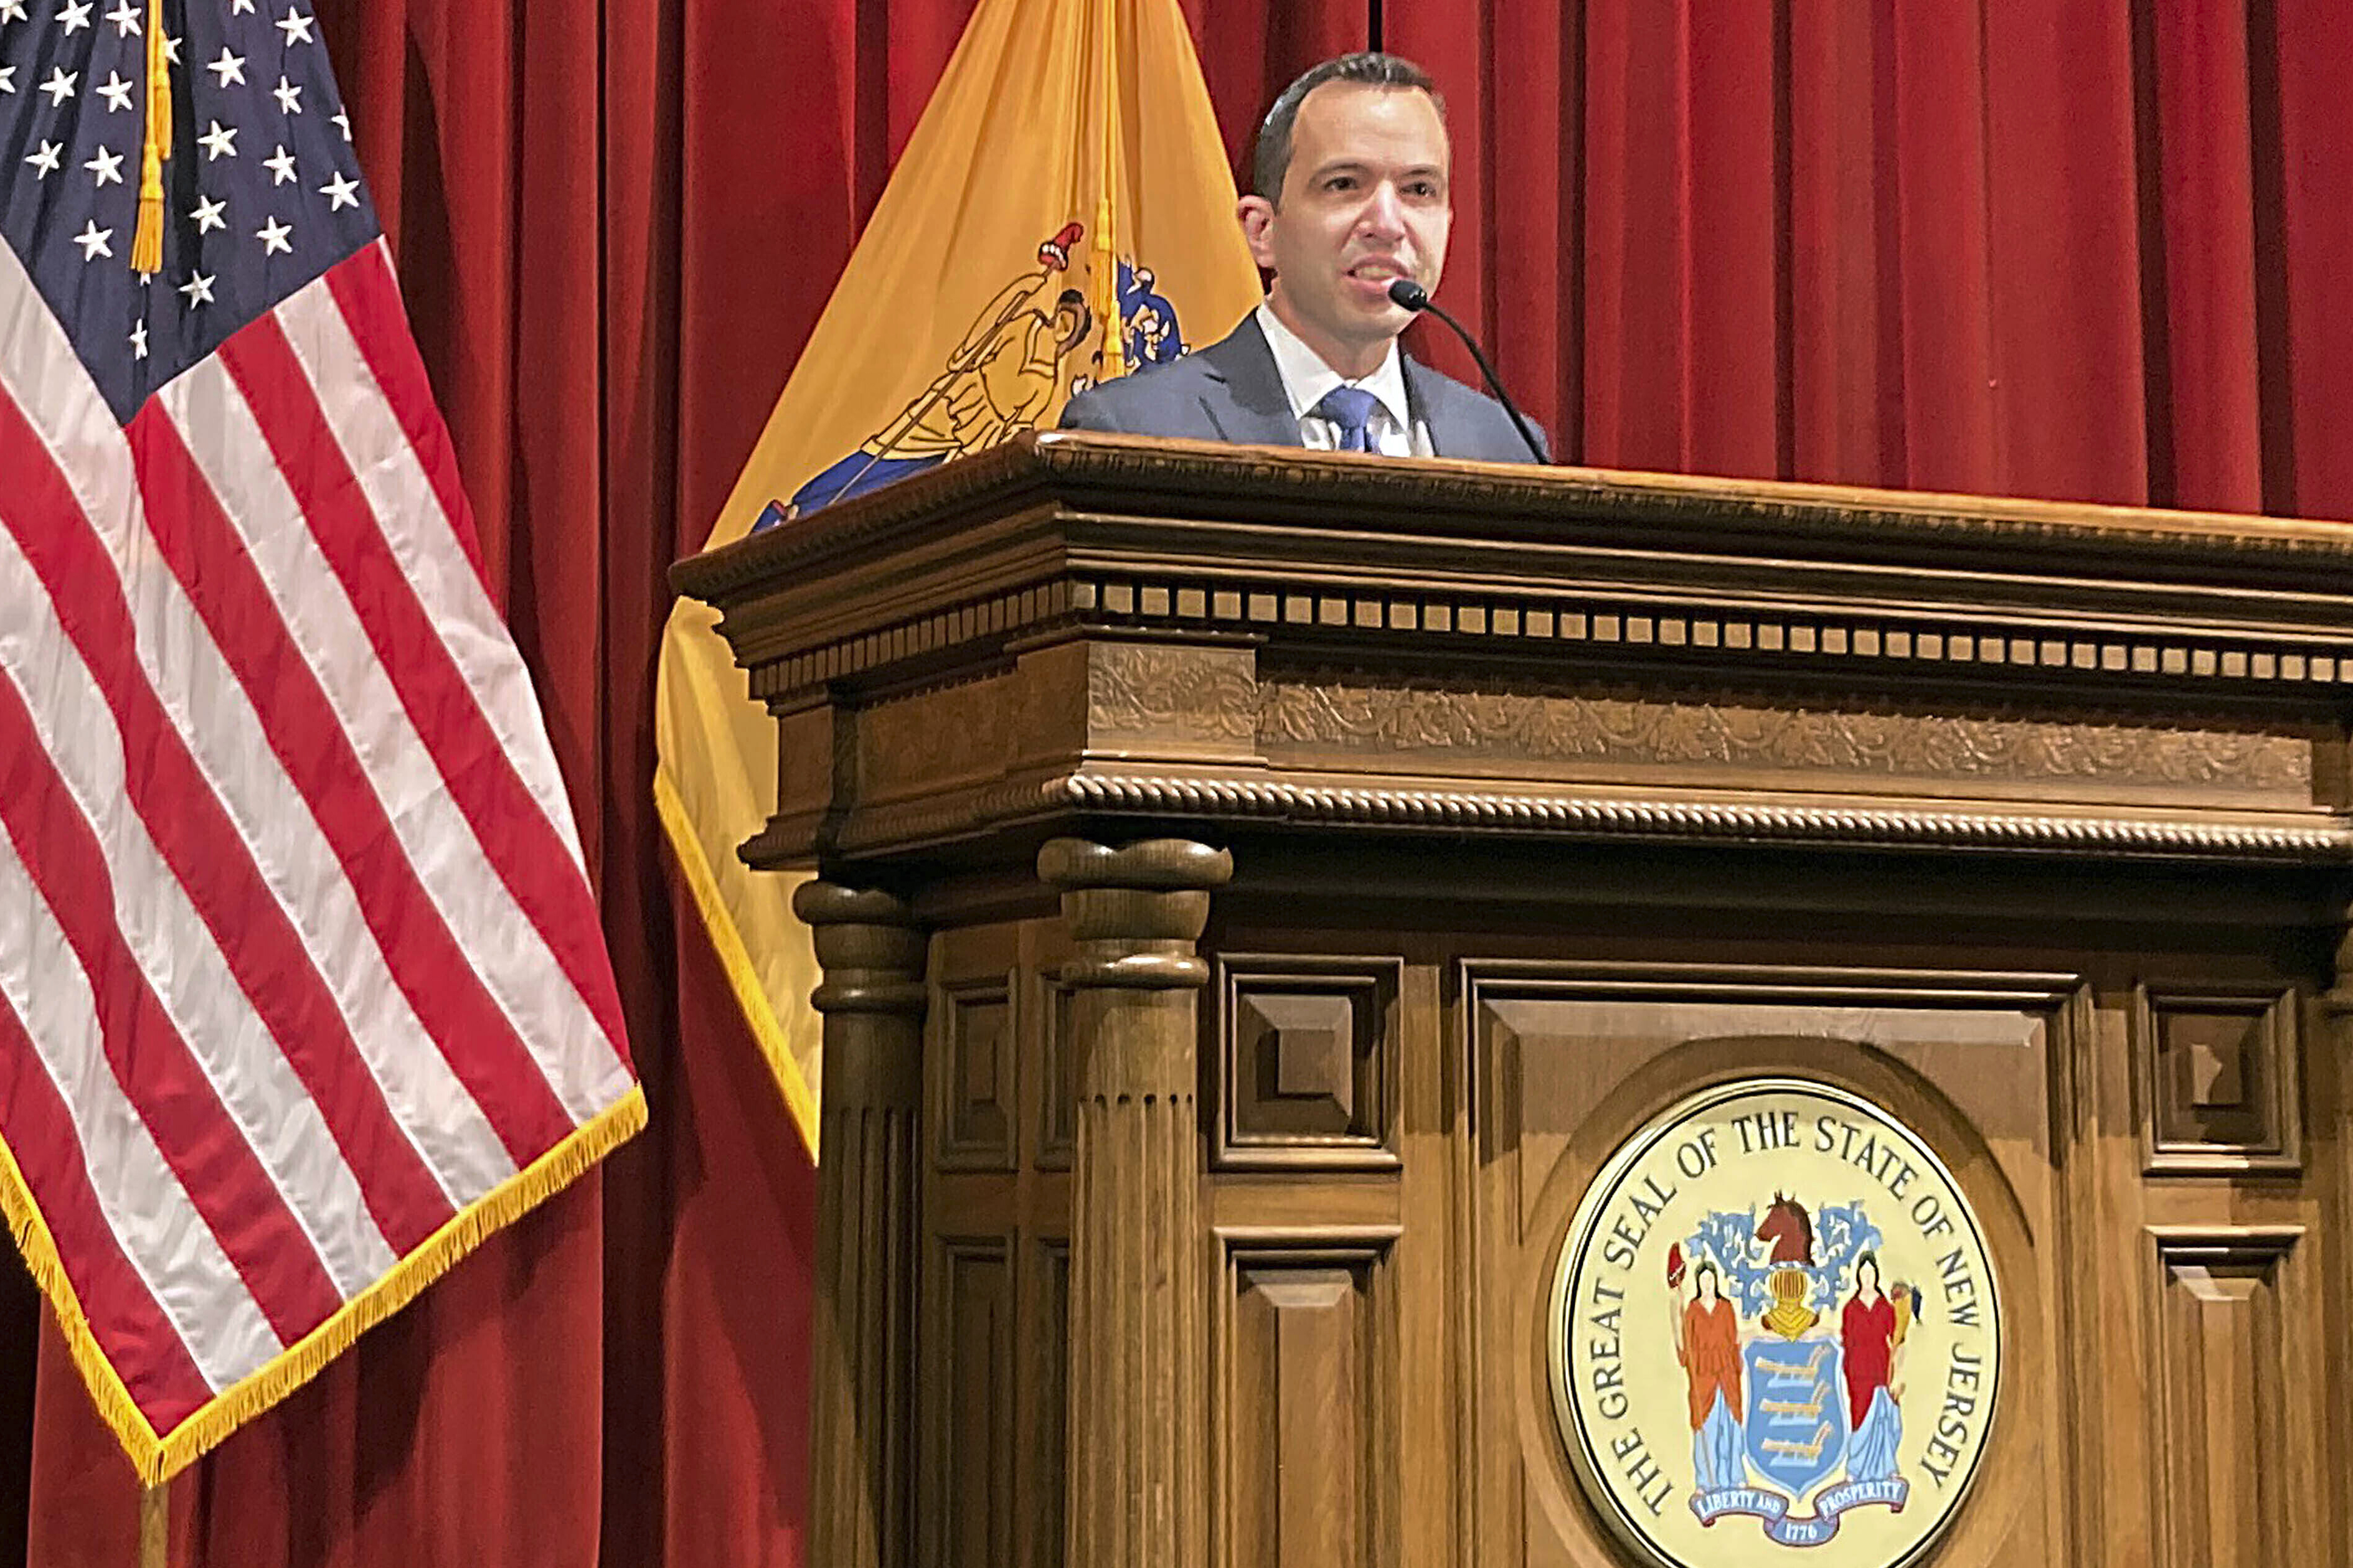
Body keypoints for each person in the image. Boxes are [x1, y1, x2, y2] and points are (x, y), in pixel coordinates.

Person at [1059, 52, 1546, 462]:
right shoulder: (1131, 431)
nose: (1387, 224)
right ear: (1261, 231)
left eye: (1419, 190)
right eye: (1344, 184)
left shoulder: (1507, 447)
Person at [1839, 1251, 1911, 1482]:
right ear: (1858, 1275)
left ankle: (1886, 1467)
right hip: (1858, 1374)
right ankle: (1856, 1468)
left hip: (1881, 1371)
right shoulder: (1851, 1309)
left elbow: (1898, 1342)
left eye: (1871, 1273)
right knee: (1860, 1417)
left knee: (1882, 1418)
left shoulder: (1885, 1308)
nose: (1867, 1277)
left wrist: (1898, 1374)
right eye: (1864, 1273)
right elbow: (1846, 1342)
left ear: (1877, 1275)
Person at [1677, 1261, 1745, 1491]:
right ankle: (1706, 1481)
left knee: (1730, 1428)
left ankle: (1733, 1478)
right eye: (1703, 1279)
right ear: (1698, 1282)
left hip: (1727, 1377)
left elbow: (1734, 1341)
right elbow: (1686, 1349)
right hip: (1704, 1379)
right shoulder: (1692, 1311)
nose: (1707, 1283)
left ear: (1716, 1281)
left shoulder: (1726, 1308)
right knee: (1706, 1429)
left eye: (1710, 1279)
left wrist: (1735, 1365)